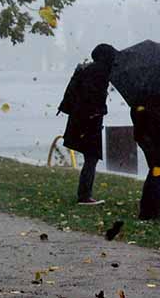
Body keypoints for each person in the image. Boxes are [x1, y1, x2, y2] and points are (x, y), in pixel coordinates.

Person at [58, 43, 117, 206]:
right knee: (92, 157)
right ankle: (84, 195)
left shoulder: (86, 70)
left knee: (90, 157)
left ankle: (84, 193)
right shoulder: (100, 73)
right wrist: (99, 111)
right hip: (90, 121)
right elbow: (93, 97)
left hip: (79, 120)